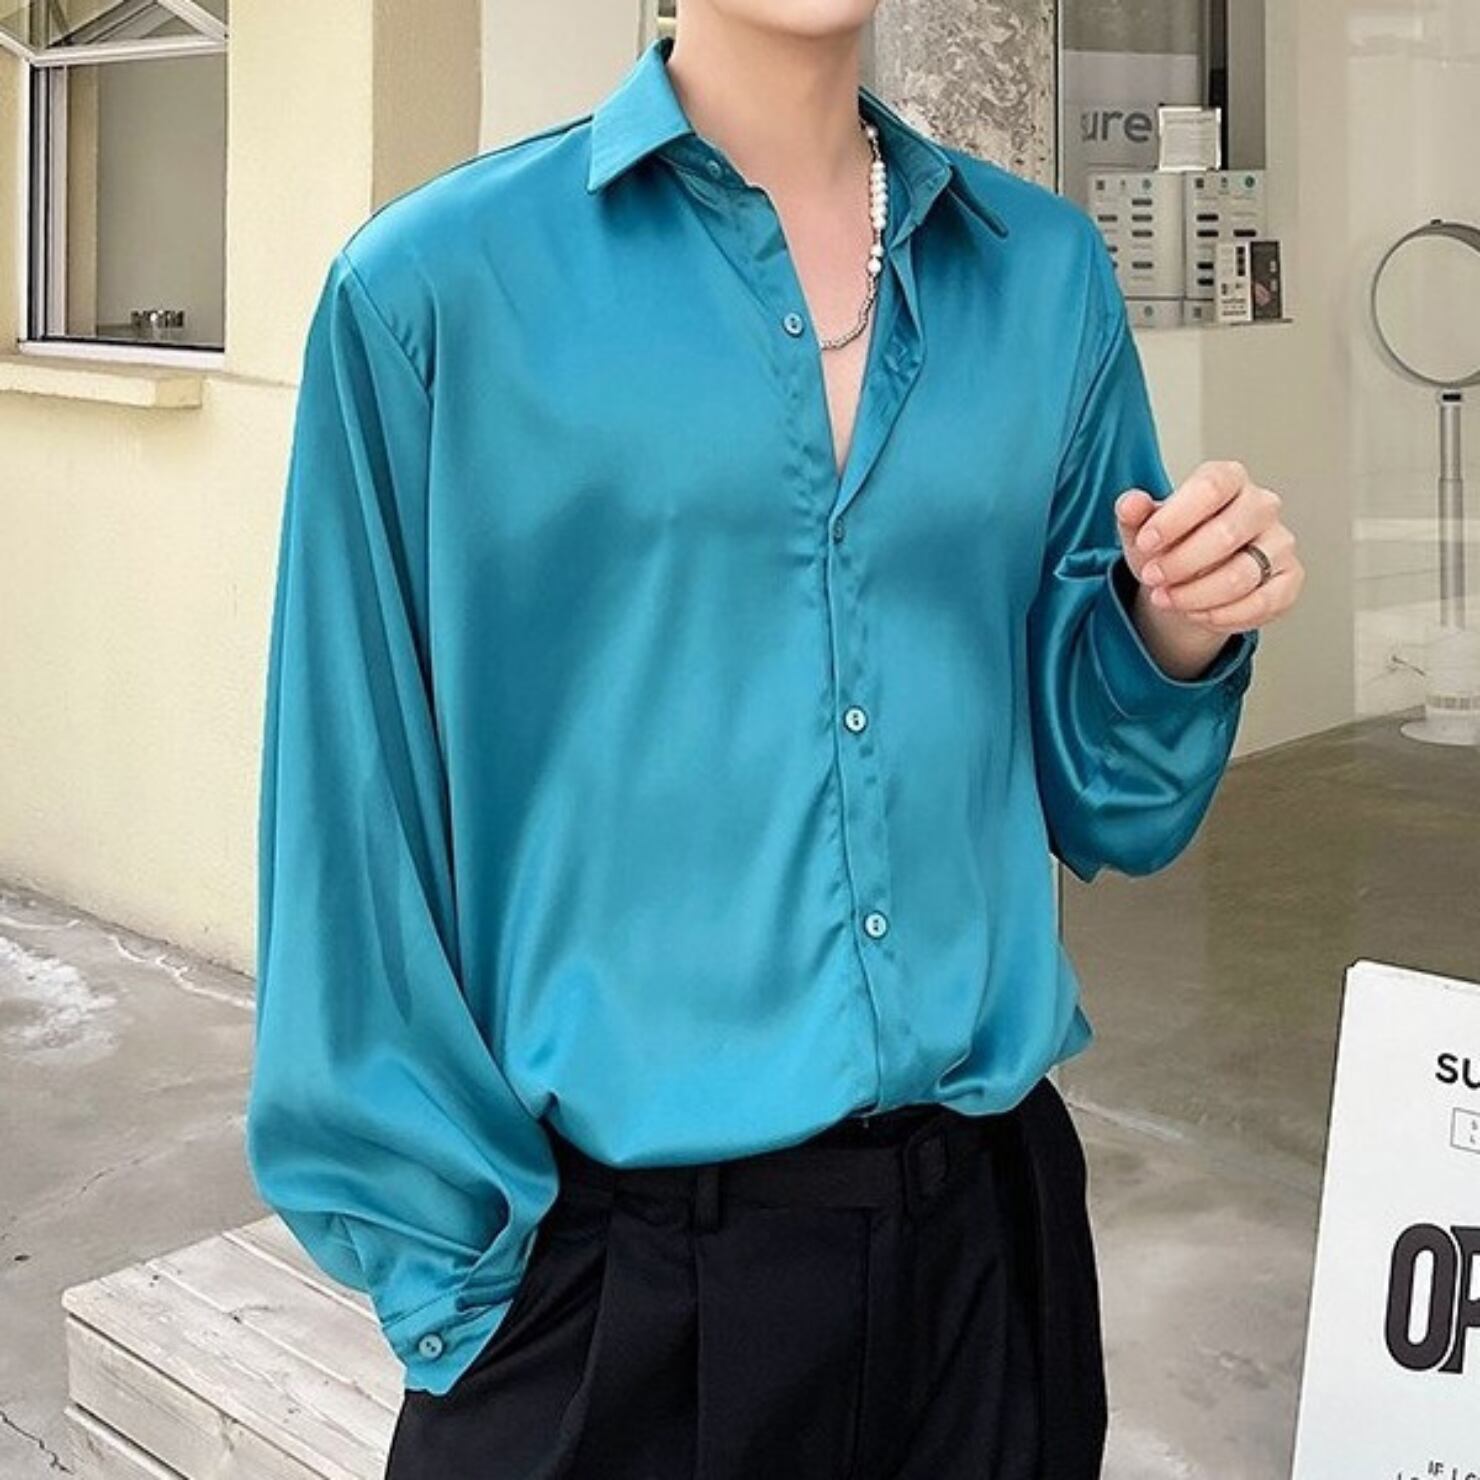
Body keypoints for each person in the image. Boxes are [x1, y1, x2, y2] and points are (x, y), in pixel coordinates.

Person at [245, 4, 1304, 1478]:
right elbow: (354, 821)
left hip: (981, 1258)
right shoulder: (434, 289)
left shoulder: (1042, 275)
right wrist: (459, 1289)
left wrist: (1170, 627)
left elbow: (1107, 802)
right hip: (608, 1291)